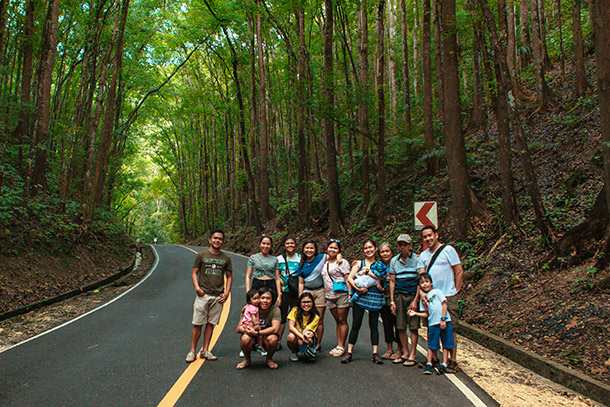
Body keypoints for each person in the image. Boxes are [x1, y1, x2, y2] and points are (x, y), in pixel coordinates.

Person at [416, 225, 464, 373]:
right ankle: (434, 358)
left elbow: (459, 271)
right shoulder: (423, 256)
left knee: (450, 329)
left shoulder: (448, 250)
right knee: (432, 328)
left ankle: (452, 360)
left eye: (430, 235)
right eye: (425, 237)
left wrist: (455, 290)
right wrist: (422, 294)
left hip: (447, 296)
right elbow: (421, 277)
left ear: (436, 235)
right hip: (430, 298)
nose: (428, 239)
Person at [185, 229, 233, 363]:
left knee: (211, 324)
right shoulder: (201, 256)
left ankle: (205, 350)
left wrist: (227, 292)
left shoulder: (226, 258)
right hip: (203, 295)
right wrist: (197, 288)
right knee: (197, 324)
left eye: (220, 239)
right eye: (215, 238)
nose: (217, 241)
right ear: (210, 240)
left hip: (218, 296)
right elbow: (194, 273)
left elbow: (229, 276)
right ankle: (192, 351)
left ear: (223, 242)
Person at [342, 240, 387, 365]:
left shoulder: (379, 264)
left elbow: (381, 277)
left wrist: (367, 272)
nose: (368, 250)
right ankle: (349, 352)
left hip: (375, 298)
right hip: (360, 297)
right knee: (356, 324)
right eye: (366, 248)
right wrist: (357, 289)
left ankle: (375, 353)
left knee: (374, 325)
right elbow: (350, 278)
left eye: (370, 247)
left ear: (375, 248)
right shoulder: (359, 263)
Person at [408, 273, 455, 375]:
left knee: (446, 343)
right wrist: (415, 313)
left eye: (426, 282)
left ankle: (444, 363)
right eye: (422, 283)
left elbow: (444, 304)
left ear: (431, 282)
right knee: (432, 344)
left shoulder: (437, 292)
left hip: (445, 321)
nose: (425, 284)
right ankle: (429, 363)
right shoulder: (423, 299)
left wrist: (443, 318)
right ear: (419, 286)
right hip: (433, 323)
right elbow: (426, 313)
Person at [389, 234, 420, 366]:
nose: (403, 247)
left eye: (405, 244)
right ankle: (405, 352)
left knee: (413, 326)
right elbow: (392, 281)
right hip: (399, 295)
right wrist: (392, 301)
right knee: (400, 326)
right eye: (400, 245)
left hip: (412, 295)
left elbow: (420, 280)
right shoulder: (394, 261)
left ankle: (413, 354)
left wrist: (416, 300)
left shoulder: (417, 260)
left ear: (410, 245)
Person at [236, 287, 281, 369]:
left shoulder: (275, 310)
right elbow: (239, 328)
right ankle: (247, 360)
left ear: (272, 300)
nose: (265, 301)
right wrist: (250, 331)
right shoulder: (249, 308)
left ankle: (269, 359)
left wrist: (258, 333)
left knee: (273, 339)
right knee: (245, 339)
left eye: (268, 298)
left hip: (265, 337)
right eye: (262, 298)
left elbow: (275, 328)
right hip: (252, 337)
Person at [320, 240, 351, 357]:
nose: (332, 250)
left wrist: (350, 294)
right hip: (329, 296)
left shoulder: (342, 262)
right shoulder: (325, 261)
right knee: (337, 320)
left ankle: (341, 346)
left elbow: (347, 278)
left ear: (339, 250)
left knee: (342, 320)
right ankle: (339, 344)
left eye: (335, 248)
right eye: (330, 247)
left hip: (341, 295)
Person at [296, 240, 327, 349]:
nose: (309, 250)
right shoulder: (301, 264)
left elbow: (334, 254)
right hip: (307, 291)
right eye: (307, 248)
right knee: (305, 318)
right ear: (303, 250)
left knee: (319, 319)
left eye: (311, 248)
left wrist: (339, 257)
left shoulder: (322, 258)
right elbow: (300, 282)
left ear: (315, 249)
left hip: (320, 291)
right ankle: (306, 339)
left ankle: (318, 344)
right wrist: (300, 297)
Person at [377, 242, 402, 360]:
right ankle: (389, 349)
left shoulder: (397, 263)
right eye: (382, 251)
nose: (385, 253)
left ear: (392, 252)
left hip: (396, 296)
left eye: (387, 251)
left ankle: (399, 349)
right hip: (383, 298)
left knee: (398, 323)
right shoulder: (377, 265)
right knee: (387, 323)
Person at [276, 237, 302, 350]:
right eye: (288, 243)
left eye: (292, 243)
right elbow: (276, 277)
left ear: (295, 245)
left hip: (295, 292)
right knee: (282, 317)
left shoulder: (300, 258)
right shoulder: (278, 259)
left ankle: (297, 340)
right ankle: (277, 341)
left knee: (296, 316)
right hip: (283, 291)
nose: (290, 245)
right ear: (284, 245)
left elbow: (302, 277)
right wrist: (278, 295)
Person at [245, 236, 281, 306]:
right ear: (260, 244)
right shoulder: (253, 258)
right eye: (263, 243)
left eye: (268, 244)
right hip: (257, 284)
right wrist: (248, 292)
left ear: (271, 246)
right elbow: (248, 276)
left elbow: (277, 278)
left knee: (269, 306)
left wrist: (279, 294)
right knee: (255, 306)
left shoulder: (275, 259)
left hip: (271, 285)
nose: (265, 246)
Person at [286, 292, 321, 362]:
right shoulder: (295, 310)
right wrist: (301, 337)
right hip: (299, 335)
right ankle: (294, 352)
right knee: (290, 337)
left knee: (307, 338)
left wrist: (303, 338)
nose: (306, 304)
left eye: (309, 302)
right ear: (300, 303)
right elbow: (291, 327)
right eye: (304, 302)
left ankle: (309, 350)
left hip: (308, 336)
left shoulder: (316, 316)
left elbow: (306, 331)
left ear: (312, 303)